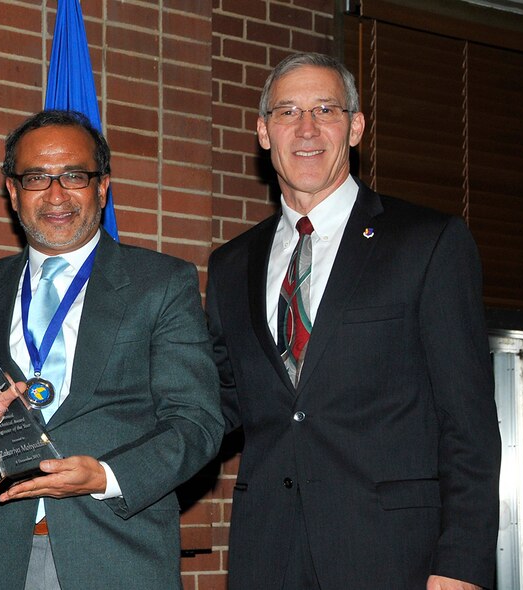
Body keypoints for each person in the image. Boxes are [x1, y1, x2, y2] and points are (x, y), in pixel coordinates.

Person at [206, 52, 500, 590]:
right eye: (288, 112)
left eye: (326, 109)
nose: (307, 128)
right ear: (263, 132)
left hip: (394, 558)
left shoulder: (428, 243)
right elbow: (217, 402)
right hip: (267, 555)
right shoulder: (231, 265)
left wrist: (461, 562)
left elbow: (469, 421)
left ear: (356, 127)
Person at [0, 109, 223, 590]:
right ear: (13, 191)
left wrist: (106, 476)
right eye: (37, 177)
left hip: (119, 556)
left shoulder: (163, 283)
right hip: (1, 561)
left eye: (74, 176)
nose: (56, 194)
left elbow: (197, 423)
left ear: (102, 186)